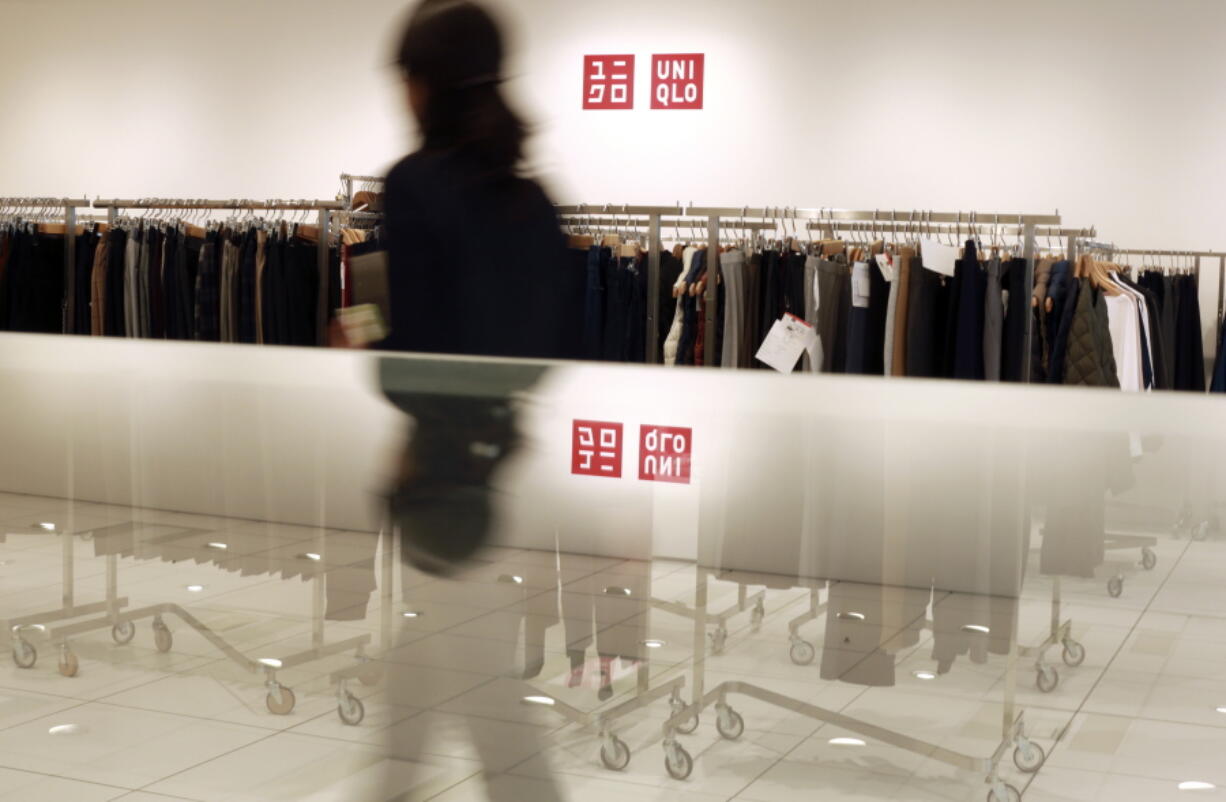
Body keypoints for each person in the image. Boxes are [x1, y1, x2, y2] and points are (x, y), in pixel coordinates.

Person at [377, 4, 567, 800]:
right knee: (429, 671)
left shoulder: (414, 186)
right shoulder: (535, 202)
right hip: (500, 469)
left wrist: (364, 341)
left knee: (476, 694)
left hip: (433, 477)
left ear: (425, 85)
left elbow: (407, 359)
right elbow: (551, 351)